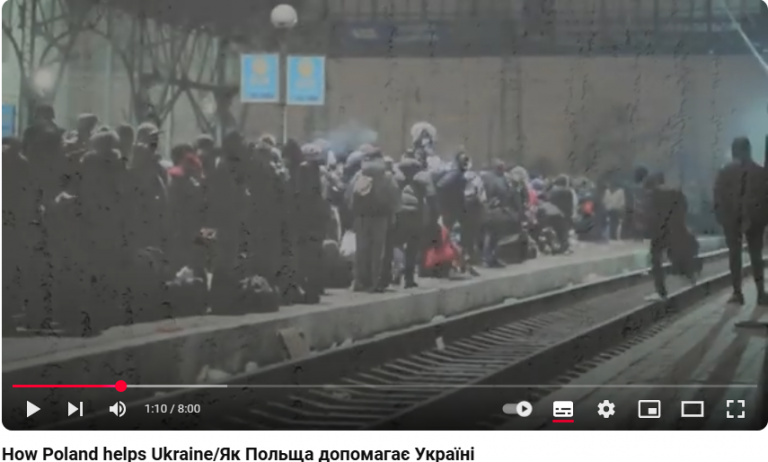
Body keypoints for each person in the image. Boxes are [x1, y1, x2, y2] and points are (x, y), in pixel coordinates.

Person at [713, 137, 768, 306]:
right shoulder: (760, 171)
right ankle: (761, 293)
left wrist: (721, 217)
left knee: (734, 255)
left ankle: (737, 293)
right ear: (749, 150)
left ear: (734, 151)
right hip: (755, 219)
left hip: (731, 219)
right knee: (756, 255)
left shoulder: (725, 172)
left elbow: (718, 195)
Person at [346, 147, 400, 292]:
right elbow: (394, 197)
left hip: (361, 217)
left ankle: (359, 281)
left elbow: (349, 195)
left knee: (361, 250)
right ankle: (375, 282)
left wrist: (354, 212)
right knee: (377, 252)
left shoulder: (359, 174)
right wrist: (393, 213)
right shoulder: (386, 175)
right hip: (380, 218)